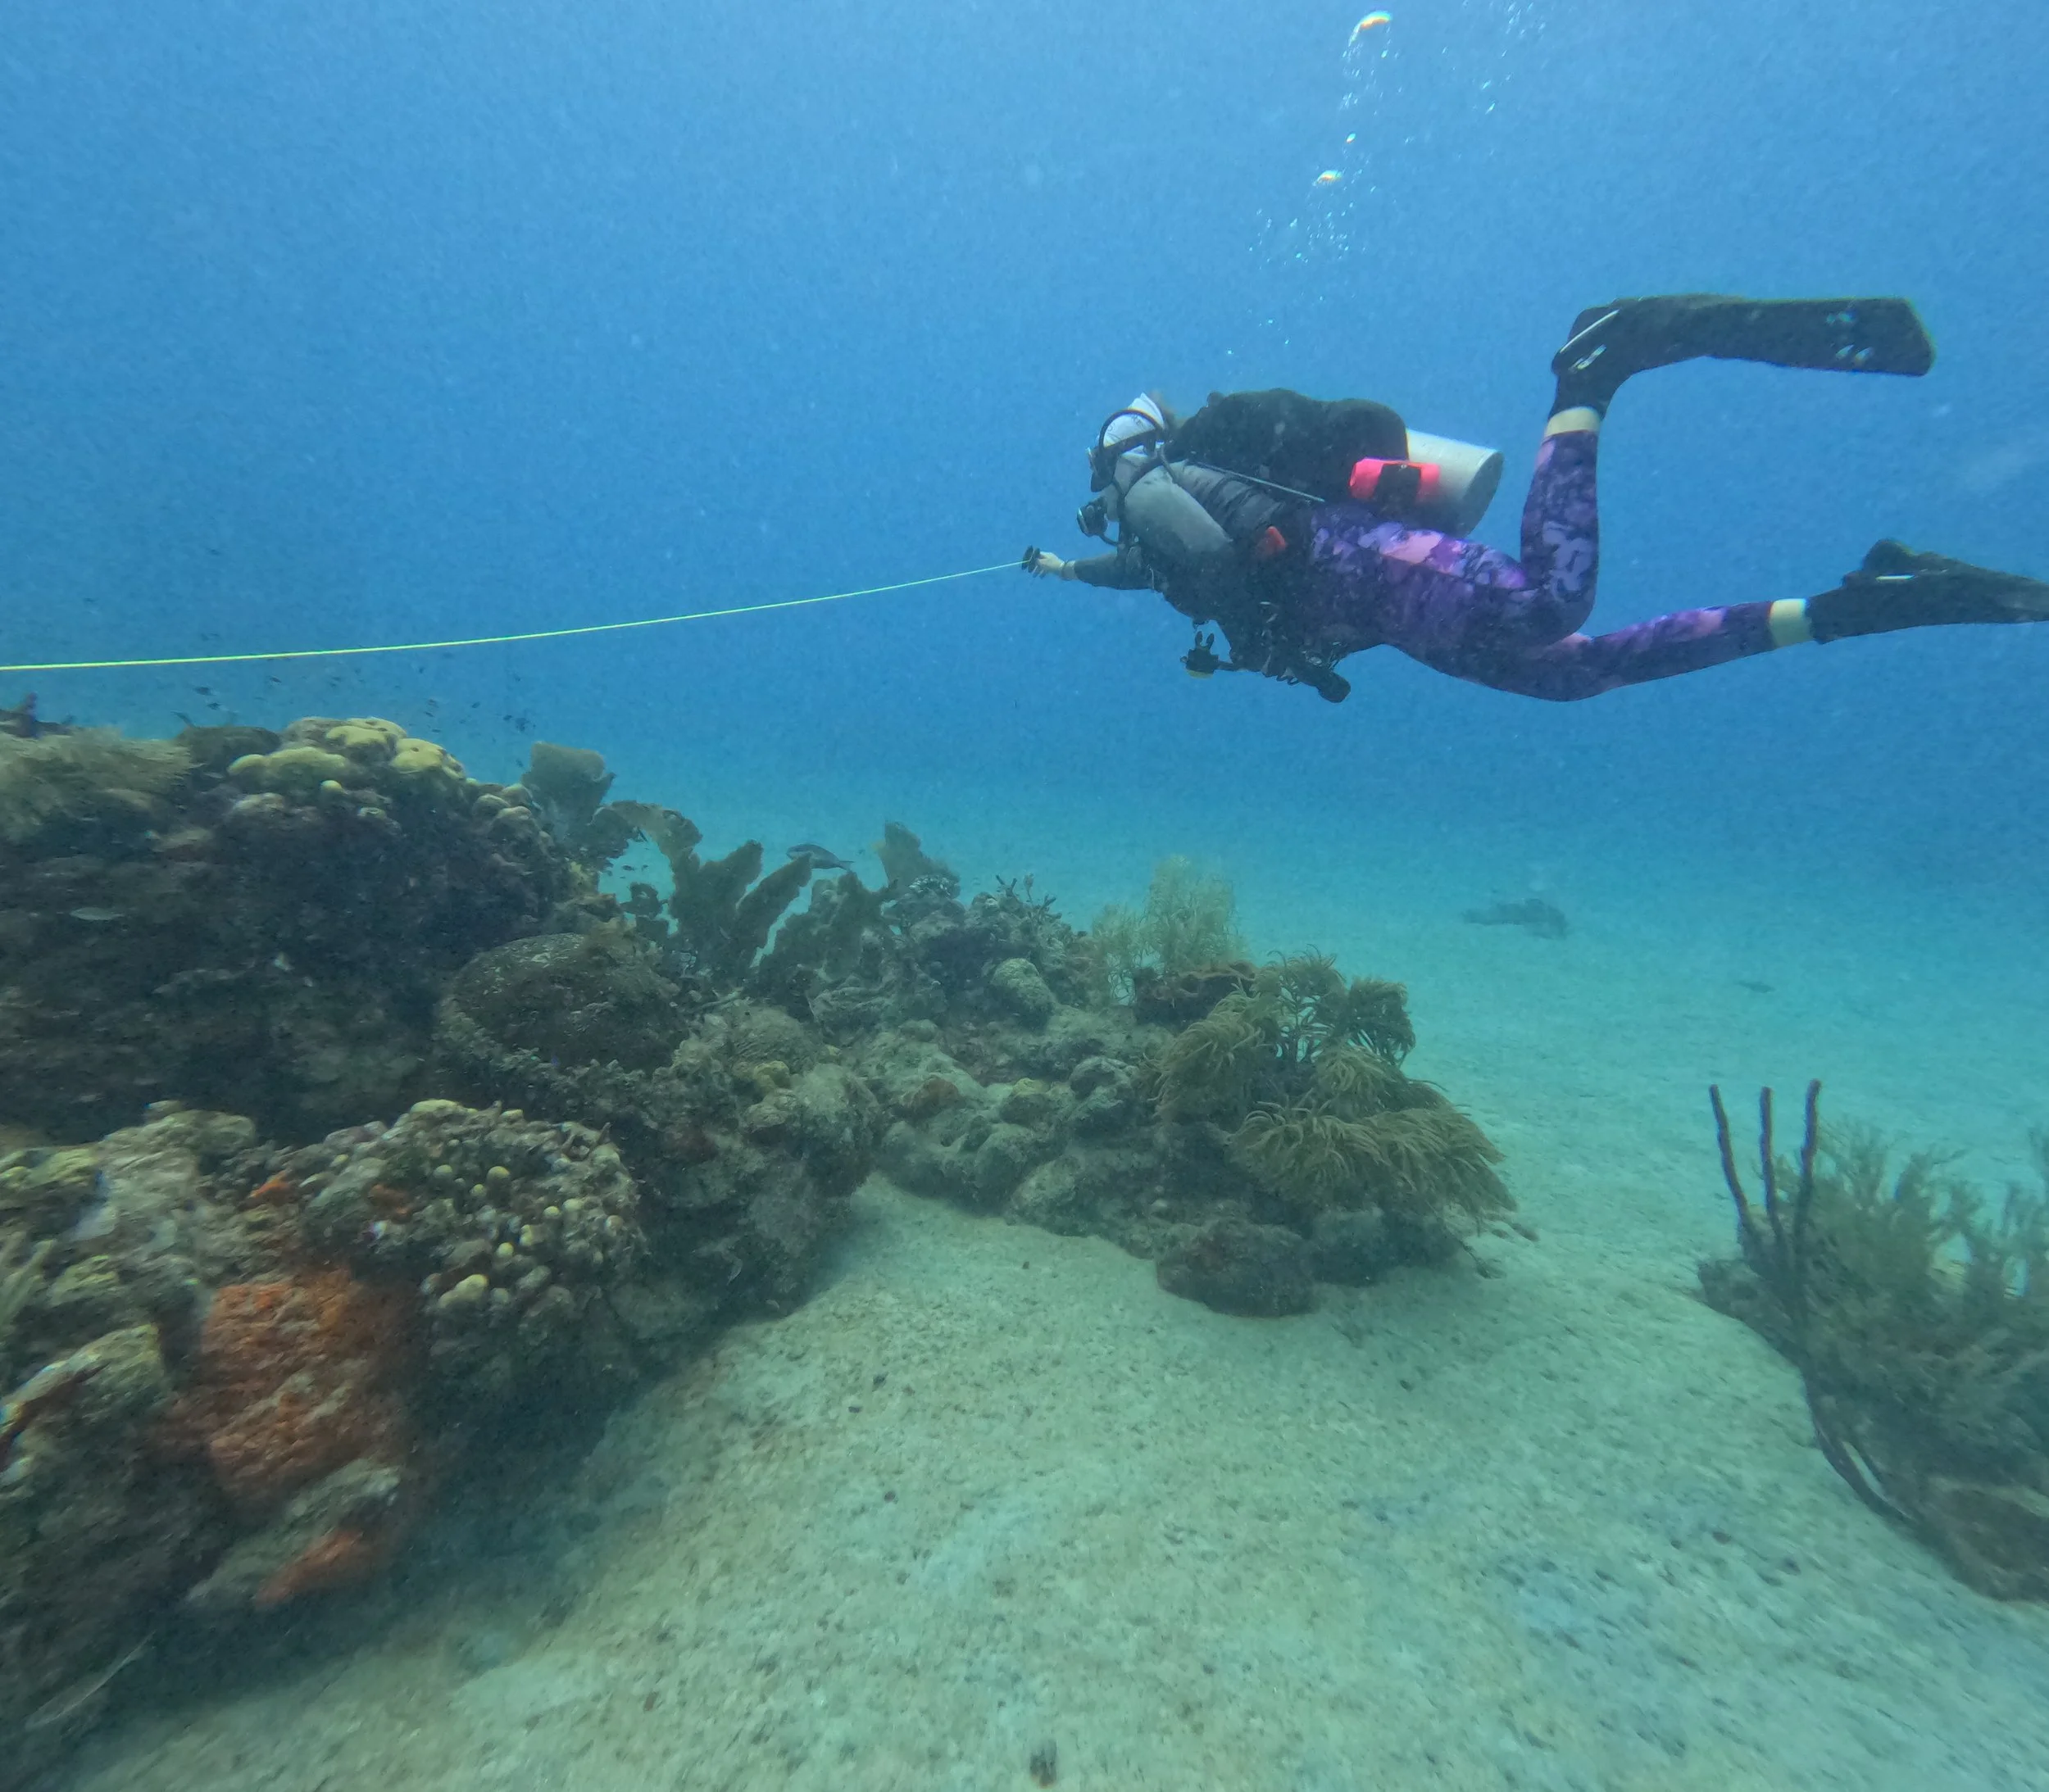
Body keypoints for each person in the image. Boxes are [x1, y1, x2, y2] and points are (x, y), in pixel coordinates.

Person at [1022, 295, 2049, 703]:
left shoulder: (1148, 487)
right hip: (1375, 610)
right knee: (1572, 676)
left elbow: (1202, 560)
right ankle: (1862, 604)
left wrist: (1259, 644)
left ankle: (1593, 371)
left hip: (1359, 563)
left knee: (1550, 605)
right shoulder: (1142, 522)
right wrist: (1063, 572)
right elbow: (1151, 570)